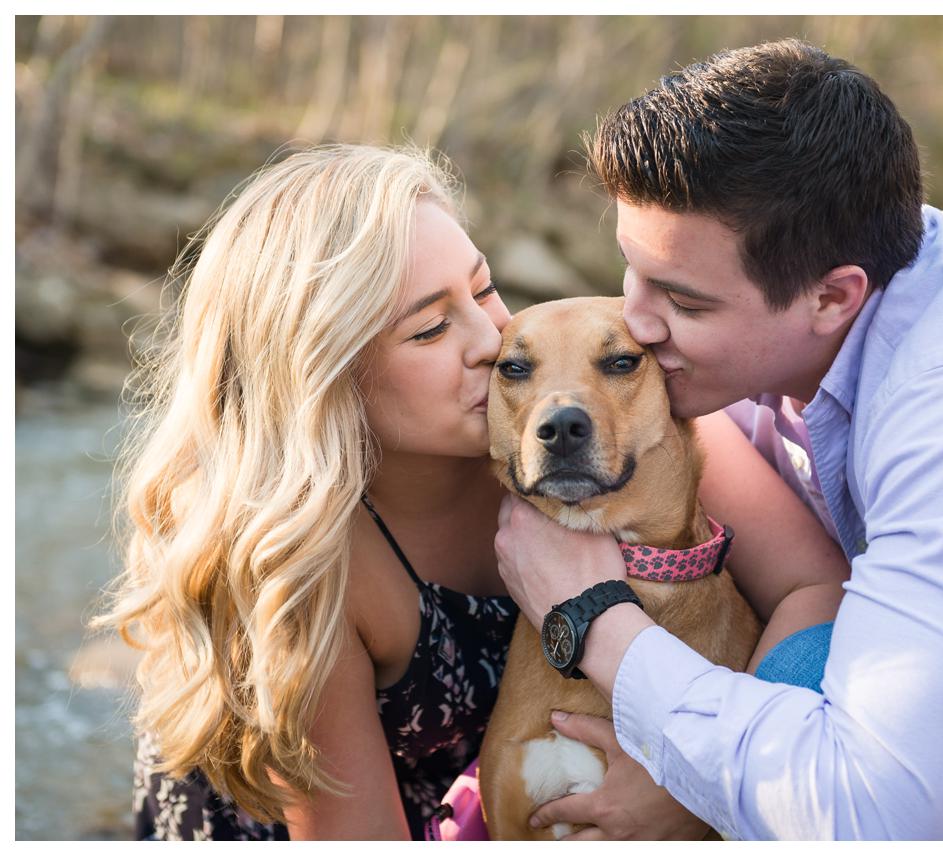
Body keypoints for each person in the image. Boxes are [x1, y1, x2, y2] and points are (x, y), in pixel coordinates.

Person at [96, 144, 838, 840]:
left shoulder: (605, 425)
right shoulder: (303, 567)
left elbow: (816, 584)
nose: (491, 340)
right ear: (330, 384)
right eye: (430, 328)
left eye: (483, 288)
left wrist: (709, 776)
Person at [489, 40, 943, 840]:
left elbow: (879, 823)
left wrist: (598, 620)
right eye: (630, 272)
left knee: (806, 681)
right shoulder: (813, 317)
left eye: (680, 299)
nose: (638, 324)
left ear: (831, 296)